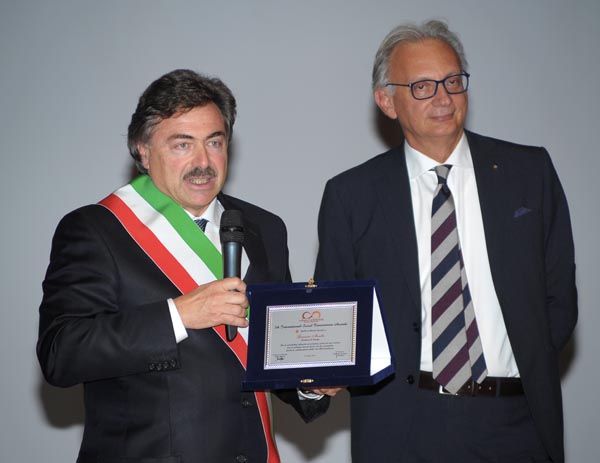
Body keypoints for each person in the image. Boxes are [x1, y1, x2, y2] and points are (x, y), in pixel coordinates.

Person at [314, 20, 577, 462]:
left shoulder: (529, 173)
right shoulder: (352, 195)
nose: (443, 98)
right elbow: (335, 315)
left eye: (453, 81)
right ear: (387, 101)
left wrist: (520, 364)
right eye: (422, 86)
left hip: (516, 421)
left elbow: (559, 300)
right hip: (404, 426)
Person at [37, 69, 327, 463]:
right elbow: (62, 353)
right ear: (142, 150)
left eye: (214, 142)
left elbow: (270, 350)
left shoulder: (265, 228)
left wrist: (311, 383)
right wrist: (178, 315)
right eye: (182, 145)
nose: (203, 162)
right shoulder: (97, 229)